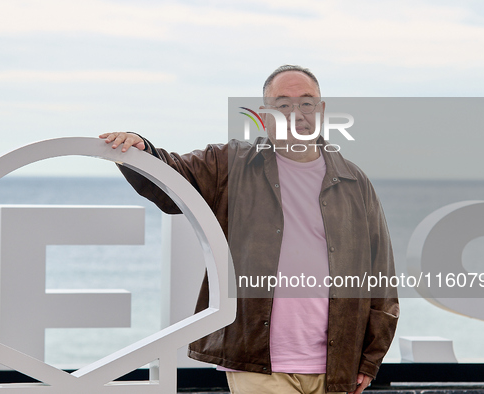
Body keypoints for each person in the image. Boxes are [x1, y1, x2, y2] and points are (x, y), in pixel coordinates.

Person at [99, 65, 399, 394]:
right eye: (283, 104)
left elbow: (380, 277)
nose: (296, 112)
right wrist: (142, 151)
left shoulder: (354, 182)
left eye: (307, 102)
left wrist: (370, 359)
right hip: (257, 365)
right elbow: (172, 182)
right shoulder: (231, 164)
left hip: (337, 368)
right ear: (264, 114)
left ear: (322, 110)